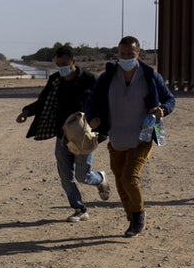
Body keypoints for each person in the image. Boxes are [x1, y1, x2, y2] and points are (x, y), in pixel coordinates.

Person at [84, 36, 176, 237]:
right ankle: (131, 216)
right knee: (119, 180)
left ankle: (138, 217)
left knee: (129, 177)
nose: (126, 57)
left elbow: (169, 99)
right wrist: (93, 118)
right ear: (118, 54)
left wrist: (163, 109)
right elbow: (91, 101)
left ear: (138, 54)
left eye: (130, 54)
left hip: (143, 137)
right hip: (116, 138)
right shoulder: (108, 76)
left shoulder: (150, 76)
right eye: (123, 54)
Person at [16, 45, 110, 222]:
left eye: (65, 63)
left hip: (84, 136)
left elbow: (104, 102)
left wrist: (99, 122)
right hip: (62, 136)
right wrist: (26, 112)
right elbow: (42, 102)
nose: (62, 67)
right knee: (66, 177)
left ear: (73, 61)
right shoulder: (55, 80)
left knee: (83, 176)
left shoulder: (89, 79)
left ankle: (99, 179)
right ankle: (79, 209)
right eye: (58, 64)